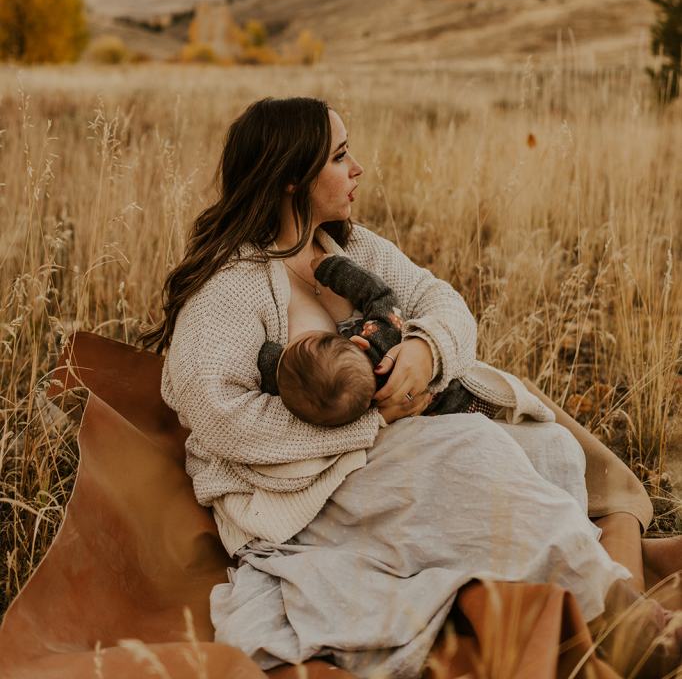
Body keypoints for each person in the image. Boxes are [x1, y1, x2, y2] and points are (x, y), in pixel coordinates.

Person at [148, 96, 681, 678]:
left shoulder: (351, 247)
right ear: (292, 179)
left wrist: (426, 351)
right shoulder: (232, 283)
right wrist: (371, 421)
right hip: (310, 485)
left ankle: (560, 605)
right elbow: (218, 415)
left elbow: (442, 301)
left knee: (552, 449)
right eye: (340, 157)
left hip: (393, 445)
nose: (357, 169)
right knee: (476, 451)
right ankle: (627, 627)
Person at [258, 252, 516, 424]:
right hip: (468, 399)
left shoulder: (348, 408)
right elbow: (380, 296)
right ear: (358, 341)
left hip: (443, 420)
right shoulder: (379, 339)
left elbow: (288, 378)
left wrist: (272, 360)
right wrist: (334, 269)